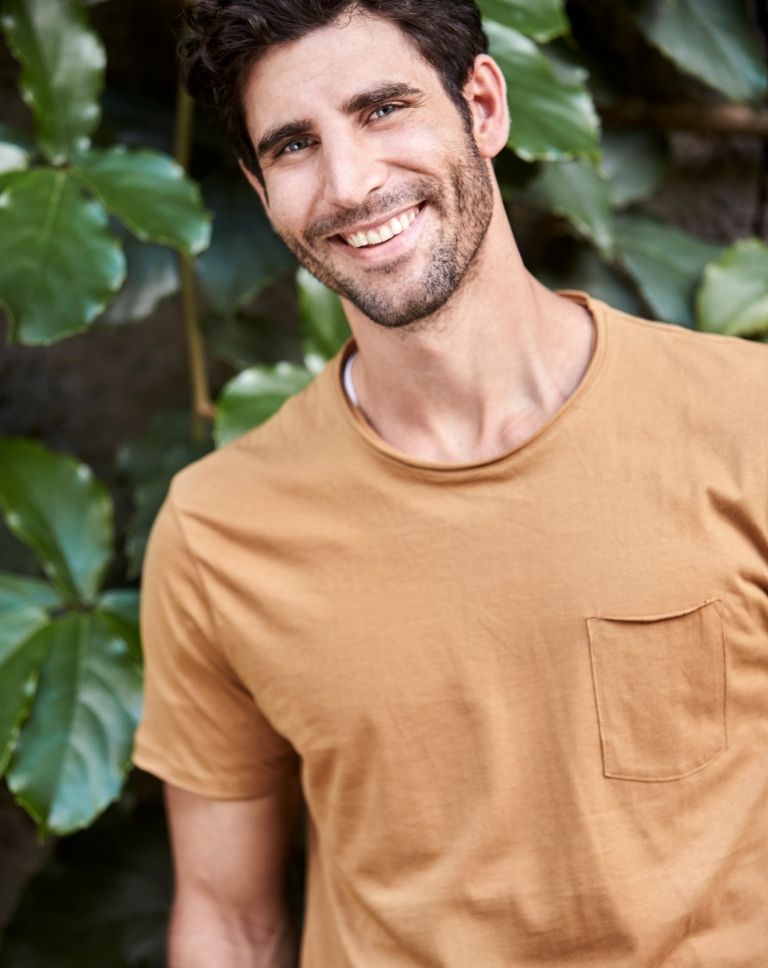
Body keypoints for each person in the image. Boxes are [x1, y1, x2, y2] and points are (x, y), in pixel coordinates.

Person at [132, 1, 768, 965]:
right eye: (295, 144)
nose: (350, 182)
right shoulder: (220, 530)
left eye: (382, 109)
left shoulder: (744, 418)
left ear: (484, 105)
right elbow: (230, 919)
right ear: (262, 190)